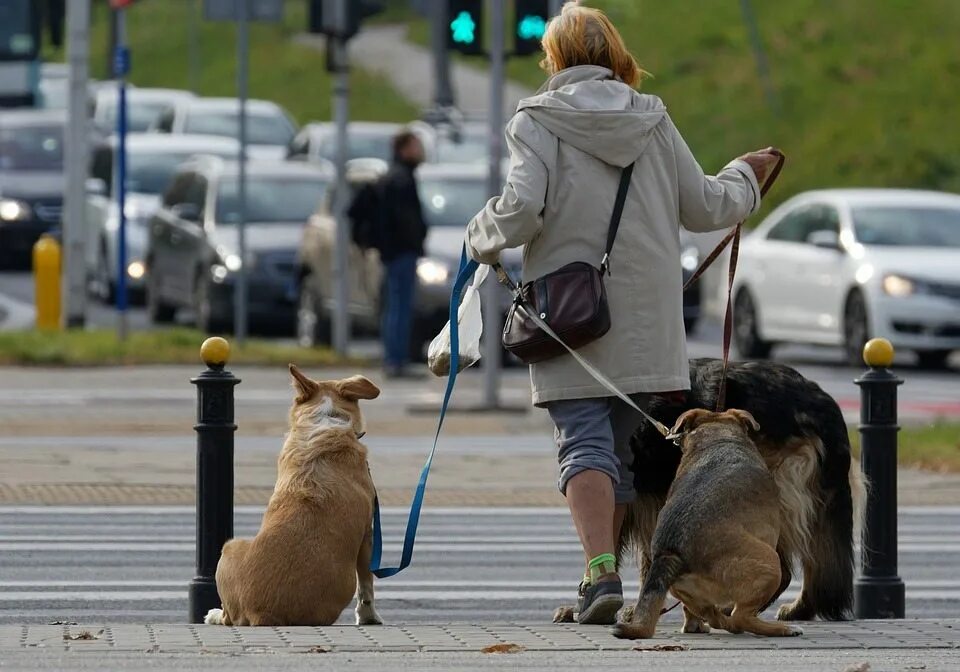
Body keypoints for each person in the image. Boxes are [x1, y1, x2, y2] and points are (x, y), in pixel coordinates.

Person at [464, 2, 782, 625]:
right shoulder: (653, 118)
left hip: (572, 316)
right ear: (616, 55)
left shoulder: (537, 120)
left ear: (554, 58)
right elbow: (708, 204)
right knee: (617, 451)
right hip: (645, 322)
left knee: (582, 445)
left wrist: (481, 234)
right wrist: (748, 175)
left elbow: (523, 209)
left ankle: (599, 575)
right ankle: (600, 579)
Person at [350, 130, 428, 378]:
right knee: (399, 307)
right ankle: (396, 360)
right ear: (404, 148)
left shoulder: (393, 177)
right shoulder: (400, 179)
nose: (420, 151)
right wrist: (415, 239)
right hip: (400, 253)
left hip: (394, 253)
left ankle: (395, 358)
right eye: (415, 146)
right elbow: (404, 219)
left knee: (395, 306)